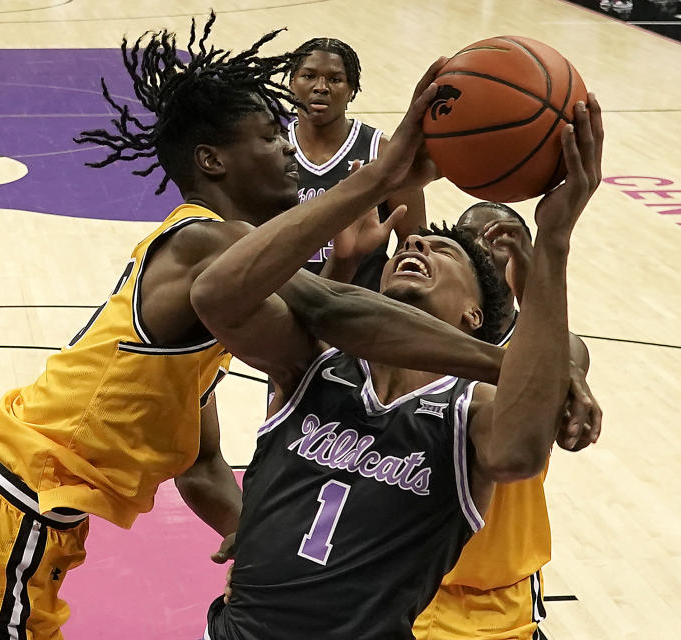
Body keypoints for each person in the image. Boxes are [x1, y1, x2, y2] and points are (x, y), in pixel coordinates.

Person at [0, 15, 513, 640]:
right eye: (271, 137)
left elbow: (200, 464)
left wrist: (256, 530)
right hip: (13, 510)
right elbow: (331, 311)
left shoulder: (210, 271)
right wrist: (380, 178)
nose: (288, 150)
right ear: (213, 160)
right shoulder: (206, 239)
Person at [192, 68, 604, 640]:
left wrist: (553, 242)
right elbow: (217, 292)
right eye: (409, 243)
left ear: (475, 315)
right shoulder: (313, 364)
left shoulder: (475, 410)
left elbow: (520, 449)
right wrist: (377, 178)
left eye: (442, 250)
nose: (412, 241)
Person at [412, 202, 592, 640]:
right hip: (409, 582)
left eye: (504, 239)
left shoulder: (556, 349)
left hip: (497, 597)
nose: (487, 248)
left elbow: (558, 364)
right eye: (470, 239)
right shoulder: (420, 331)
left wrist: (538, 286)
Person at [286, 37, 426, 289]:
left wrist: (385, 295)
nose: (321, 87)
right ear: (291, 82)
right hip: (281, 305)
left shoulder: (384, 152)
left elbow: (414, 242)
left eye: (335, 79)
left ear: (352, 90)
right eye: (308, 76)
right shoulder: (270, 148)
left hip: (357, 308)